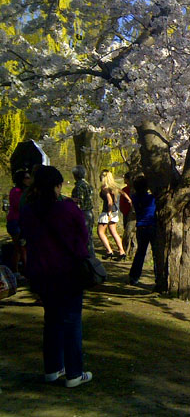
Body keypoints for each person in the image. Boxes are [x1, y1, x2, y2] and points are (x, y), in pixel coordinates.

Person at [20, 166, 92, 388]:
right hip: (67, 272)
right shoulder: (68, 209)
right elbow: (82, 238)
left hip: (41, 272)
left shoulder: (29, 210)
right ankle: (74, 372)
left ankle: (52, 368)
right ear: (56, 185)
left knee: (51, 320)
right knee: (72, 321)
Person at [128, 176, 157, 286]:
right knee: (156, 253)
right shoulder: (151, 198)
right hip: (152, 226)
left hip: (141, 227)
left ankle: (134, 276)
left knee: (140, 252)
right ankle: (158, 277)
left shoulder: (134, 197)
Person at [97, 170, 130, 260]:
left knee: (100, 232)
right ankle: (122, 251)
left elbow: (109, 201)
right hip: (115, 212)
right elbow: (123, 193)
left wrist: (109, 213)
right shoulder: (114, 187)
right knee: (113, 232)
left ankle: (109, 251)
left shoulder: (105, 188)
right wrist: (129, 200)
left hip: (107, 212)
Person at [7, 169, 32, 275]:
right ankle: (21, 270)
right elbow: (19, 206)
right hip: (15, 222)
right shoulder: (16, 191)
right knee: (20, 247)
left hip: (21, 222)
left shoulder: (26, 191)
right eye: (26, 178)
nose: (29, 180)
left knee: (20, 247)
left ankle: (18, 269)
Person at [70, 165, 95, 257]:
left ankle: (88, 258)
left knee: (84, 237)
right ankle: (91, 256)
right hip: (90, 211)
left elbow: (78, 201)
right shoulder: (88, 185)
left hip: (83, 213)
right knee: (89, 236)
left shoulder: (78, 187)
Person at [120, 172, 137, 257]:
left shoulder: (128, 190)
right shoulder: (124, 190)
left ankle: (128, 250)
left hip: (128, 213)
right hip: (125, 212)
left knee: (129, 231)